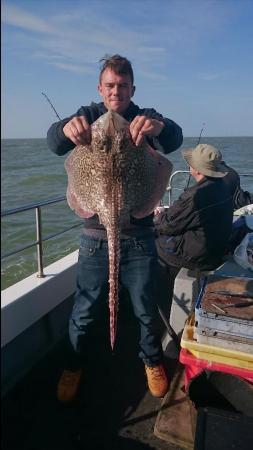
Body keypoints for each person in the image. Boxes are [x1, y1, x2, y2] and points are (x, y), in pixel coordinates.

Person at [47, 54, 183, 401]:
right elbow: (54, 141)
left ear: (132, 88)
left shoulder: (145, 116)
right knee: (85, 308)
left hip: (138, 233)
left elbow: (175, 138)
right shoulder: (88, 115)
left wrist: (160, 128)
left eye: (122, 86)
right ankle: (72, 365)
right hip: (94, 234)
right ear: (100, 88)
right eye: (110, 85)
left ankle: (151, 360)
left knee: (144, 304)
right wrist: (65, 129)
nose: (116, 91)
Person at [155, 143, 234, 304]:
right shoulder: (223, 186)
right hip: (214, 252)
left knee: (152, 244)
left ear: (197, 170)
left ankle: (158, 297)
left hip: (194, 257)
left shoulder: (195, 195)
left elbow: (168, 226)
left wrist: (158, 216)